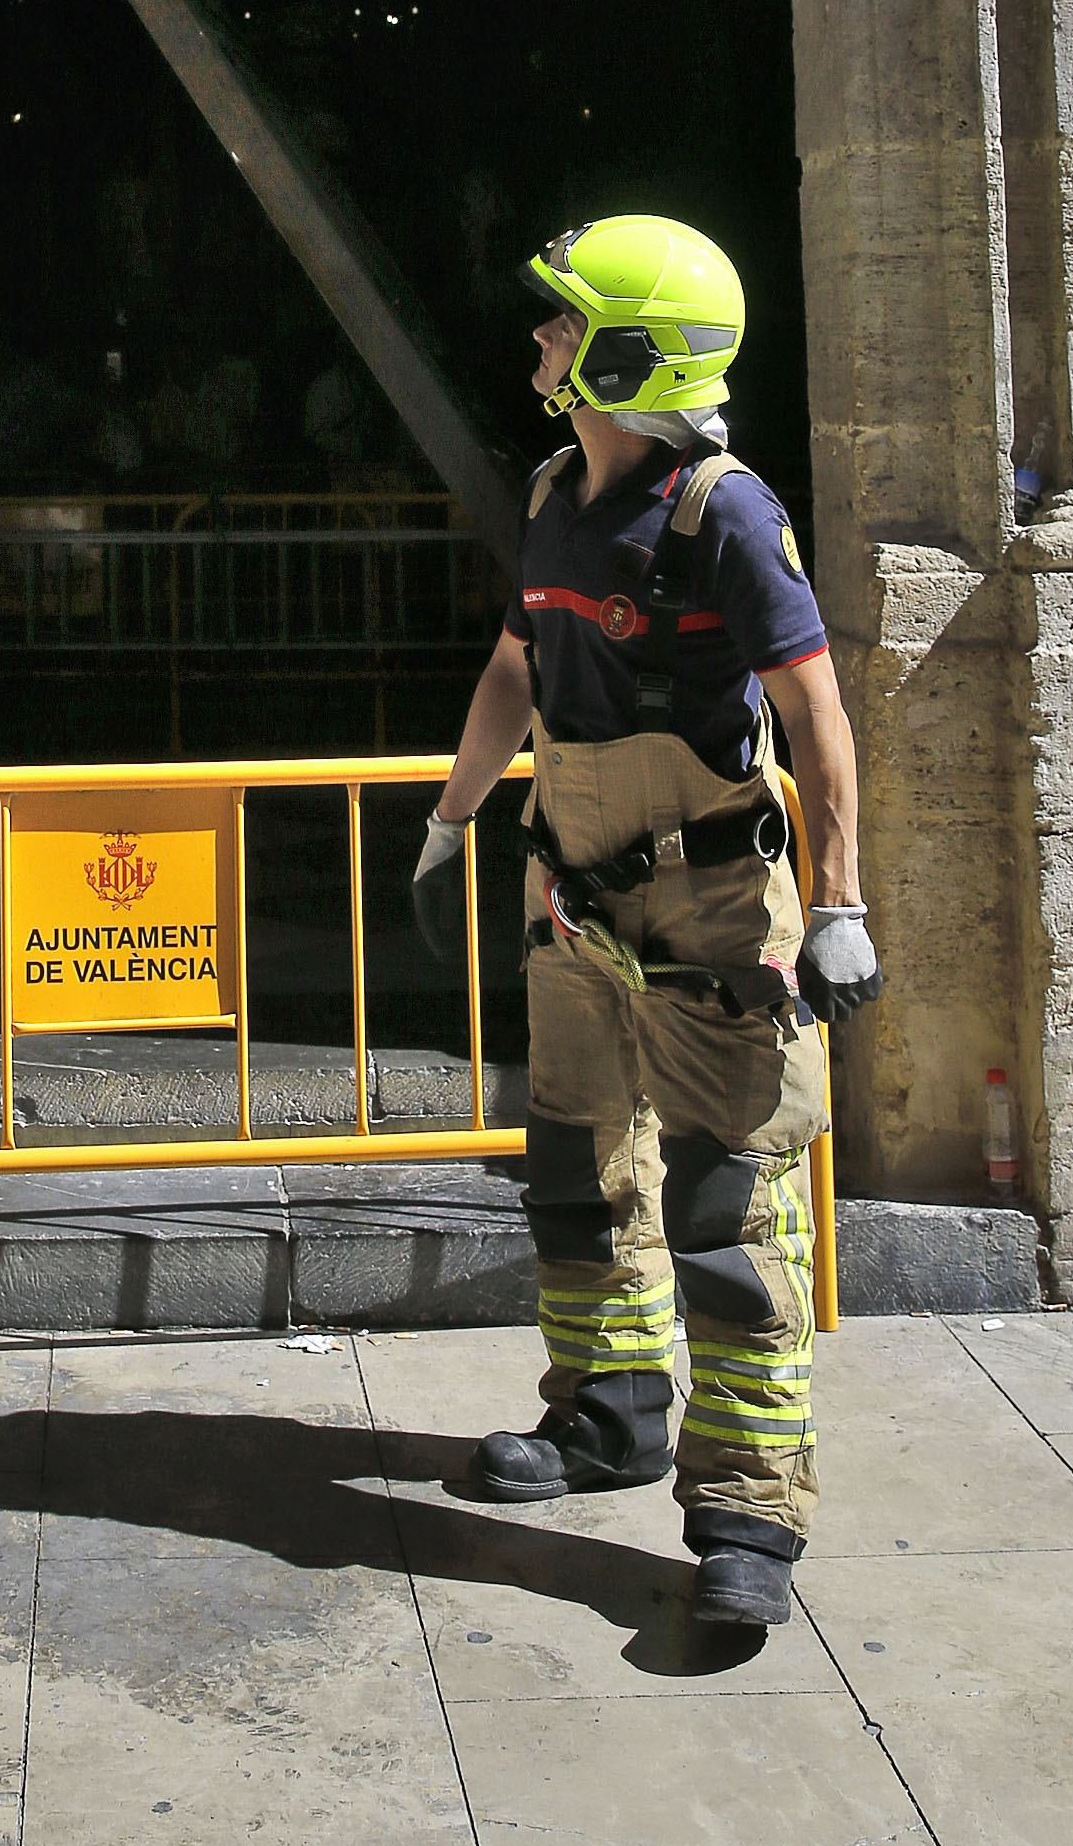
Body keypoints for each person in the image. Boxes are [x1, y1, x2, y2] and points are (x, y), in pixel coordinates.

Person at [411, 211, 879, 1638]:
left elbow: (814, 713)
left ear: (625, 355)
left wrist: (843, 905)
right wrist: (453, 814)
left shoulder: (723, 514)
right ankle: (605, 1415)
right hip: (573, 892)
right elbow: (514, 667)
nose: (540, 343)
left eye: (562, 325)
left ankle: (746, 1514)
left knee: (729, 1212)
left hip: (713, 903)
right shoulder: (556, 490)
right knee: (576, 1173)